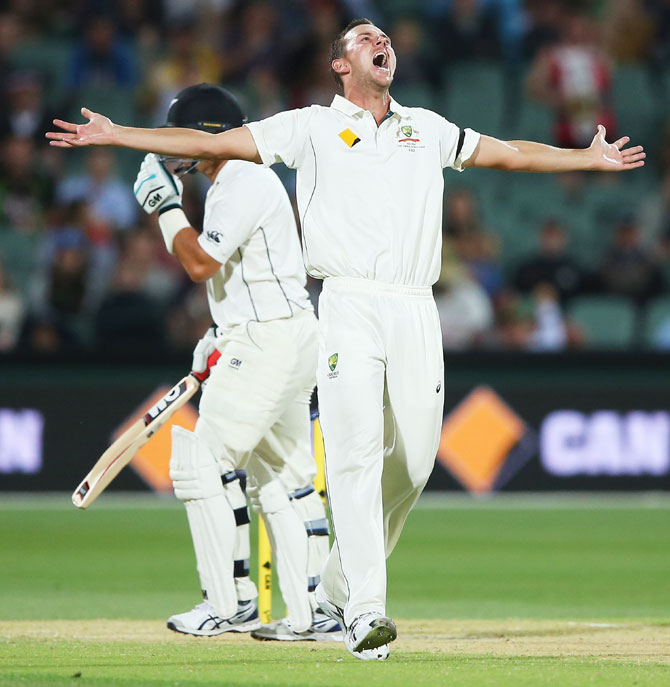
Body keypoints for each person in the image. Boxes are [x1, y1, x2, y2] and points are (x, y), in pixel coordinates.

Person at [47, 19, 645, 661]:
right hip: (347, 304)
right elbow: (206, 139)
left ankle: (335, 587)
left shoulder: (428, 128)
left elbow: (512, 151)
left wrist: (586, 156)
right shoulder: (309, 127)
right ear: (340, 64)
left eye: (383, 36)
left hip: (418, 307)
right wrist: (115, 134)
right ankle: (365, 614)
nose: (380, 40)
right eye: (364, 36)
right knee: (354, 456)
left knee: (413, 465)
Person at [130, 84, 342, 642]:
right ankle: (313, 612)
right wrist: (220, 330)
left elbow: (199, 264)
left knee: (202, 464)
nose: (173, 149)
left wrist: (165, 209)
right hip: (285, 335)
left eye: (182, 137)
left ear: (210, 137)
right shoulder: (245, 179)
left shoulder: (241, 178)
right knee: (284, 478)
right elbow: (240, 275)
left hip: (267, 342)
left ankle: (228, 602)